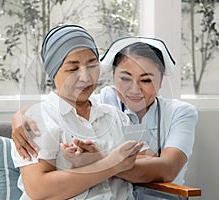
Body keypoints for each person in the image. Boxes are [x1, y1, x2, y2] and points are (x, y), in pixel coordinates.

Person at [11, 36, 198, 187]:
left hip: (162, 192)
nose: (134, 90)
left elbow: (168, 168)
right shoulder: (102, 101)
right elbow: (62, 104)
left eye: (146, 80)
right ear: (114, 76)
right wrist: (20, 117)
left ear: (161, 79)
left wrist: (99, 161)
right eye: (125, 78)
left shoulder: (179, 112)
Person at [10, 24, 144, 200]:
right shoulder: (36, 119)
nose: (86, 77)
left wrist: (99, 159)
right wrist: (110, 165)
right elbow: (39, 190)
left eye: (92, 65)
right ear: (53, 72)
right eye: (73, 69)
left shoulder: (116, 116)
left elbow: (150, 165)